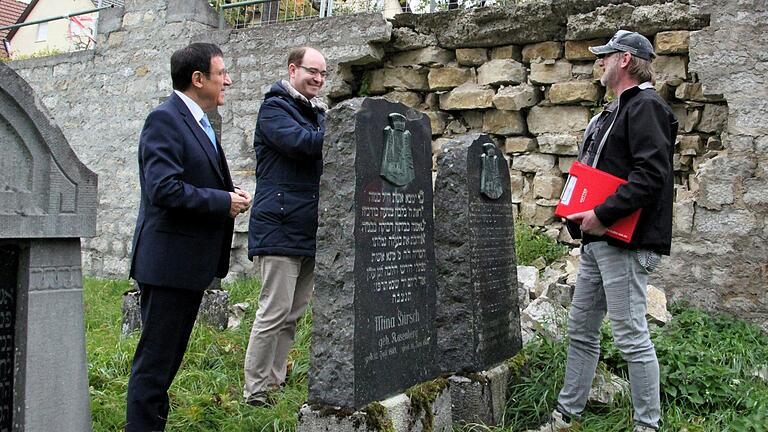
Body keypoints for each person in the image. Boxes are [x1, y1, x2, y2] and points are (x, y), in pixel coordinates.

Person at [544, 30, 678, 432]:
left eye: (606, 56)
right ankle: (566, 416)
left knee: (631, 336)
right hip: (599, 241)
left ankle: (646, 426)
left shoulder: (647, 107)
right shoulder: (615, 110)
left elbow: (651, 176)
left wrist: (602, 213)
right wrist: (580, 213)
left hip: (623, 242)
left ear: (624, 60)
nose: (598, 62)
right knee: (581, 330)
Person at [126, 42, 251, 431]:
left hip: (185, 267)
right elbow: (162, 189)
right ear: (198, 79)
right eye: (221, 73)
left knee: (165, 366)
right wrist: (222, 201)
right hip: (167, 267)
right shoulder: (165, 119)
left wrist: (226, 197)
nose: (228, 80)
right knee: (154, 367)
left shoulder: (198, 122)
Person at [243, 47, 327, 406]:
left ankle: (273, 383)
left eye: (323, 74)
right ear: (293, 70)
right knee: (273, 313)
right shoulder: (274, 108)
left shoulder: (315, 112)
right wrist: (337, 125)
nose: (319, 80)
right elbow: (302, 145)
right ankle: (255, 391)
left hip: (307, 228)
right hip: (278, 226)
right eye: (312, 72)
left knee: (292, 315)